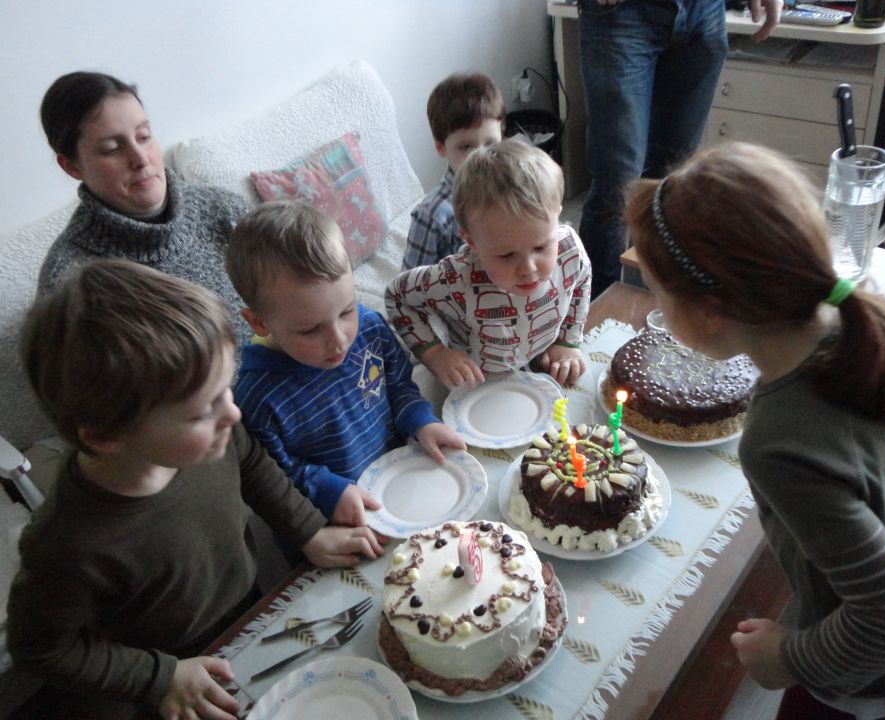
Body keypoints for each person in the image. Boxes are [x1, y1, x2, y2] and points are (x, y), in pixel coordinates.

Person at [624, 142, 885, 720]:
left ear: (709, 311)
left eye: (656, 289)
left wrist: (787, 657)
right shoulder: (866, 326)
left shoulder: (778, 440)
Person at [8, 259, 384, 720]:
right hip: (172, 678)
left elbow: (251, 461)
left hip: (247, 615)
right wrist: (158, 678)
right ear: (105, 436)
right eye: (202, 410)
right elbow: (39, 648)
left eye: (226, 391)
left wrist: (309, 530)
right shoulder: (66, 545)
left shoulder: (214, 440)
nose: (233, 414)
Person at [227, 201, 465, 528]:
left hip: (401, 489)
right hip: (335, 525)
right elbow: (273, 478)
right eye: (310, 329)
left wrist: (421, 421)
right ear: (258, 323)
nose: (339, 340)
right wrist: (329, 490)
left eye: (346, 310)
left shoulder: (370, 330)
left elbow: (399, 385)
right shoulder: (255, 397)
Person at [577, 0, 783, 297]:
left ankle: (655, 304)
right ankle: (594, 313)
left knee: (674, 180)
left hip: (705, 11)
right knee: (618, 186)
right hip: (621, 14)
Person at [37, 71, 251, 343]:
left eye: (144, 136)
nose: (140, 159)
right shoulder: (71, 282)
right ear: (72, 166)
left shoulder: (224, 209)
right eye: (111, 149)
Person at [386, 139, 592, 389]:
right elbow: (398, 296)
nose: (528, 268)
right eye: (506, 255)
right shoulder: (455, 279)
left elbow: (581, 279)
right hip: (478, 380)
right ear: (471, 242)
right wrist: (436, 355)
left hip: (541, 363)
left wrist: (567, 341)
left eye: (540, 247)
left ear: (557, 216)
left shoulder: (568, 249)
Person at [401, 72, 505, 270]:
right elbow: (409, 284)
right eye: (466, 147)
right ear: (441, 147)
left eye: (490, 143)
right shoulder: (432, 216)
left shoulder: (512, 188)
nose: (480, 156)